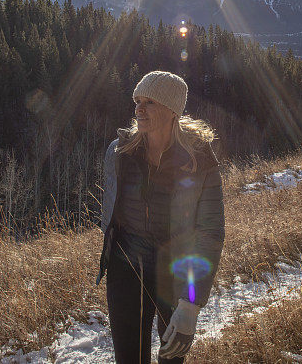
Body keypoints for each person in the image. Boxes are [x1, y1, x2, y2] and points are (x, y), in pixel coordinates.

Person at [96, 70, 225, 363]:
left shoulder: (200, 160)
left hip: (177, 269)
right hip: (127, 267)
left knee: (171, 357)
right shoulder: (118, 152)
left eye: (150, 102)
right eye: (137, 100)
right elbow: (110, 215)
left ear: (172, 111)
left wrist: (191, 305)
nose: (139, 109)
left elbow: (210, 233)